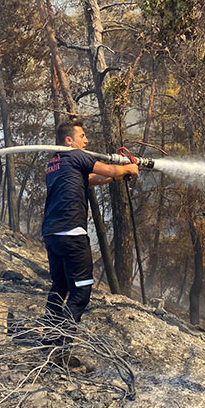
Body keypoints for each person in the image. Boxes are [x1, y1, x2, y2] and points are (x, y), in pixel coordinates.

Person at [41, 120, 138, 329]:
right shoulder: (77, 155)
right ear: (69, 140)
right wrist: (128, 168)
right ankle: (61, 345)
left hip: (52, 233)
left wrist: (117, 177)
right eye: (82, 136)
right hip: (72, 233)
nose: (86, 140)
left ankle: (48, 335)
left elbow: (92, 179)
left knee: (60, 286)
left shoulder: (54, 163)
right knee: (81, 293)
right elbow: (110, 170)